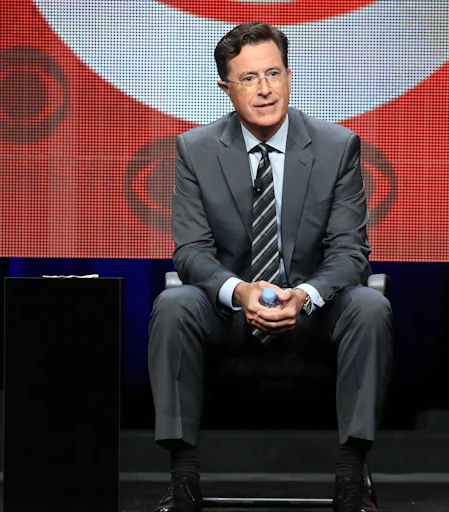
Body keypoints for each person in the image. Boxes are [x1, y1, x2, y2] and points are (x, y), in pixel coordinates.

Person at [148, 22, 393, 512]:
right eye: (248, 78)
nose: (264, 89)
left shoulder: (336, 146)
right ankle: (183, 475)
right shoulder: (196, 149)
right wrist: (239, 291)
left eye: (273, 73)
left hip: (312, 313)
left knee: (370, 306)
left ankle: (351, 475)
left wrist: (303, 296)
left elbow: (350, 251)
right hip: (230, 314)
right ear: (226, 88)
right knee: (173, 305)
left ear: (289, 77)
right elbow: (191, 251)